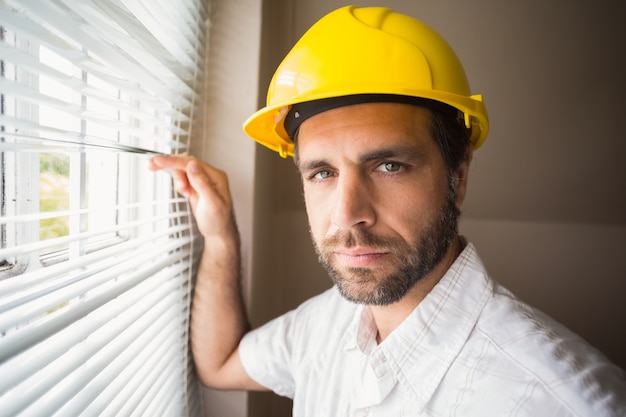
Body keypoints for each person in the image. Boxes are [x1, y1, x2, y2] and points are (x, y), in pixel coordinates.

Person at [150, 5, 626, 416]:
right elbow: (220, 363)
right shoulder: (326, 323)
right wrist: (221, 238)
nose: (347, 215)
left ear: (458, 176)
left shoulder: (563, 399)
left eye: (389, 165)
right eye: (322, 173)